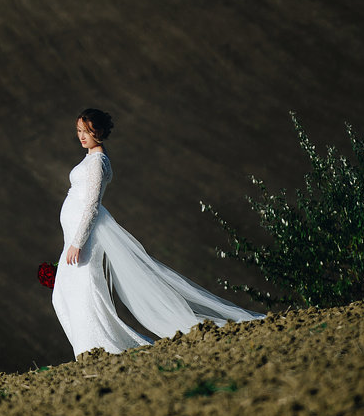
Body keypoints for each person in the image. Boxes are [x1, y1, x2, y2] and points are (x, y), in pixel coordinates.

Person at [51, 108, 263, 358]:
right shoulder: (91, 158)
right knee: (63, 294)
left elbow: (92, 205)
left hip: (83, 238)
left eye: (87, 131)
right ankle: (89, 347)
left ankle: (96, 348)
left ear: (99, 132)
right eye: (79, 131)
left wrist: (77, 242)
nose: (82, 136)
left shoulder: (97, 161)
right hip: (74, 236)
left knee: (84, 292)